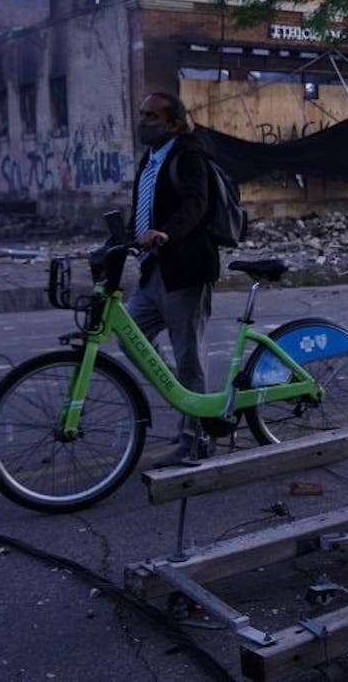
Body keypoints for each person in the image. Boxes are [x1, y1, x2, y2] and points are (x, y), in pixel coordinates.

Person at [129, 91, 221, 468]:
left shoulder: (188, 156)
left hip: (184, 267)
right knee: (133, 338)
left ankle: (196, 436)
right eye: (142, 114)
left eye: (152, 116)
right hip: (154, 270)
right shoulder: (150, 159)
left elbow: (196, 205)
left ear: (174, 124)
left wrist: (166, 233)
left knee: (187, 359)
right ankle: (191, 408)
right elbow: (143, 210)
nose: (143, 121)